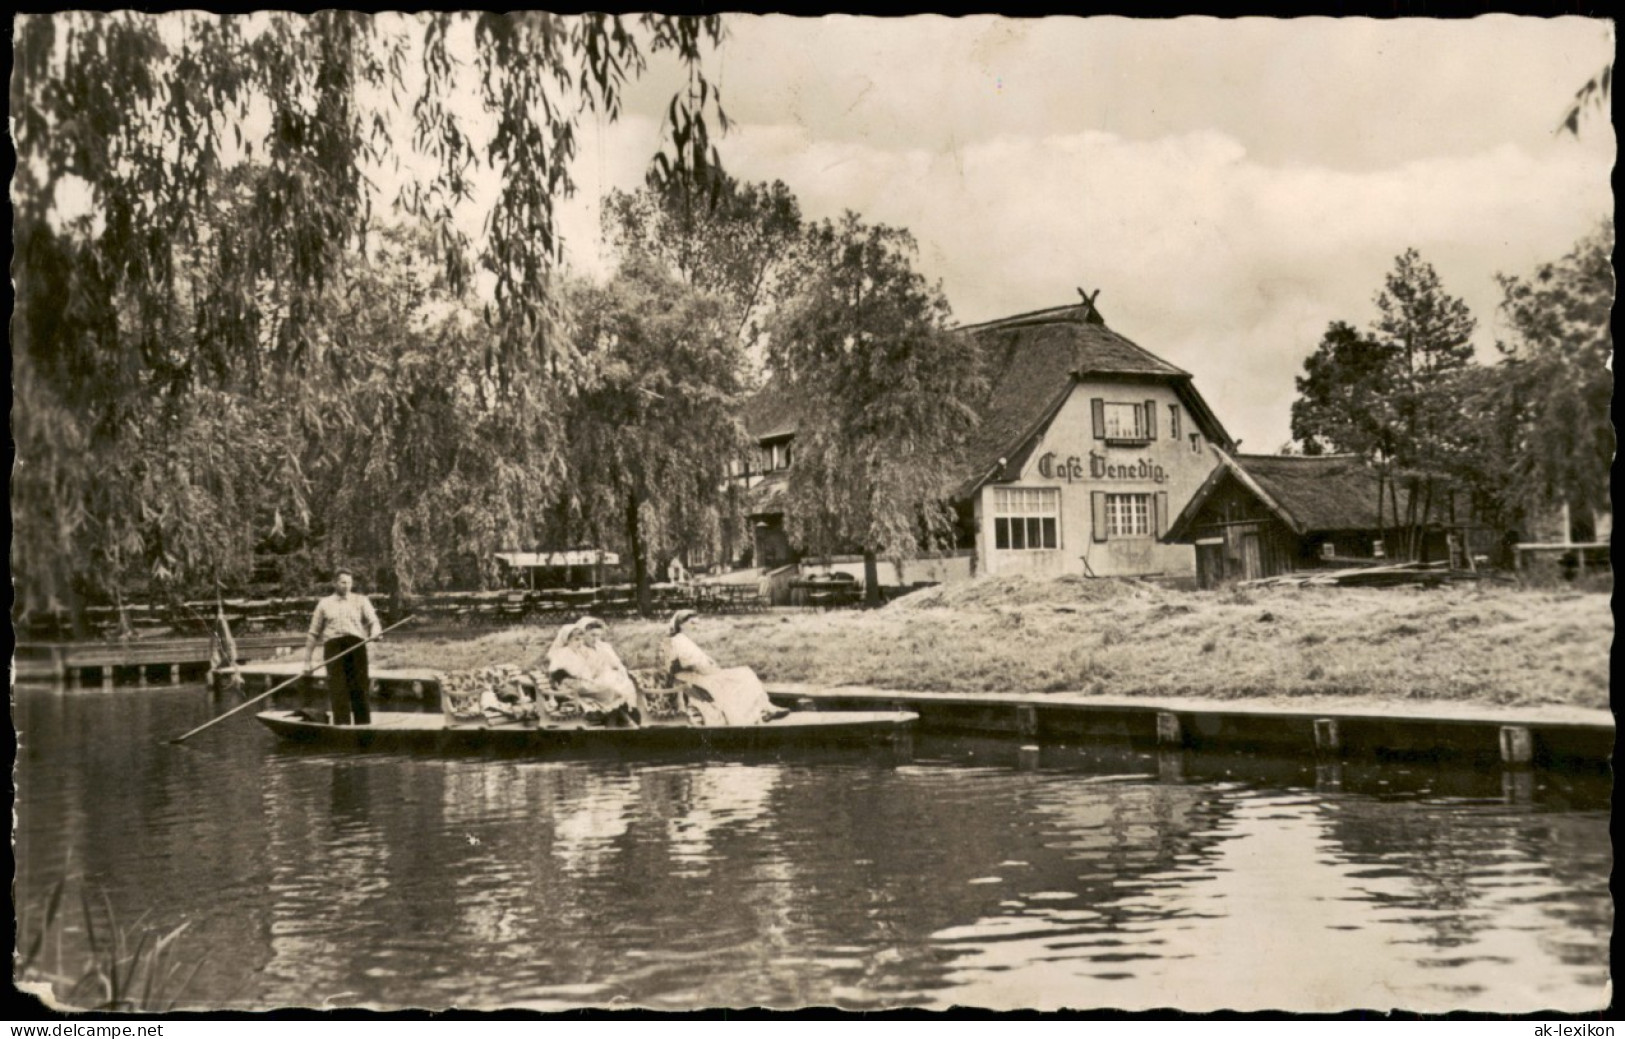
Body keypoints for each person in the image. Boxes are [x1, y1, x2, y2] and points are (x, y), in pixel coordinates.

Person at [664, 610, 789, 725]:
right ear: (681, 624)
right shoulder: (679, 640)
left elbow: (700, 663)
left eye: (697, 624)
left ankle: (764, 709)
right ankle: (755, 714)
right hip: (689, 677)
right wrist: (713, 672)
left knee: (745, 673)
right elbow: (690, 664)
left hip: (701, 673)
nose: (696, 627)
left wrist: (713, 670)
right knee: (741, 676)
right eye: (692, 624)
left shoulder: (686, 640)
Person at [304, 567, 382, 725]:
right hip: (334, 648)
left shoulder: (361, 600)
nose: (347, 586)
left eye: (349, 582)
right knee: (338, 690)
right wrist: (307, 661)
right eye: (343, 582)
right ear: (334, 583)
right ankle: (342, 727)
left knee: (360, 688)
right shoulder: (324, 604)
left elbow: (374, 622)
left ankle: (364, 727)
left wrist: (375, 632)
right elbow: (313, 634)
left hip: (356, 646)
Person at [547, 617, 641, 728]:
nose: (579, 642)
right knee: (610, 692)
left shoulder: (578, 651)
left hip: (586, 683)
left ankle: (615, 722)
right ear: (567, 640)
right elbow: (558, 673)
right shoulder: (565, 652)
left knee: (617, 690)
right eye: (576, 639)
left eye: (580, 639)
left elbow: (586, 670)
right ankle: (621, 721)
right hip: (573, 686)